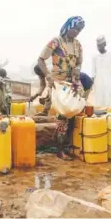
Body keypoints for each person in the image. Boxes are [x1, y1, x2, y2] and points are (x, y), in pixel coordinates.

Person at [36, 16, 85, 160]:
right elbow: (40, 59)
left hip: (73, 82)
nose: (76, 32)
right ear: (68, 26)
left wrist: (77, 70)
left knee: (75, 112)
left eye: (79, 30)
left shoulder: (78, 45)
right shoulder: (56, 42)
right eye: (75, 28)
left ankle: (70, 145)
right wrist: (48, 76)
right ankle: (60, 149)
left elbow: (79, 63)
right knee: (62, 115)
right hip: (59, 82)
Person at [92, 35, 111, 107]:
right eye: (98, 46)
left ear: (105, 44)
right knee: (99, 99)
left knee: (109, 99)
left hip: (109, 81)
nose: (99, 47)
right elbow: (93, 71)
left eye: (100, 45)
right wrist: (92, 83)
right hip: (98, 82)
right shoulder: (95, 57)